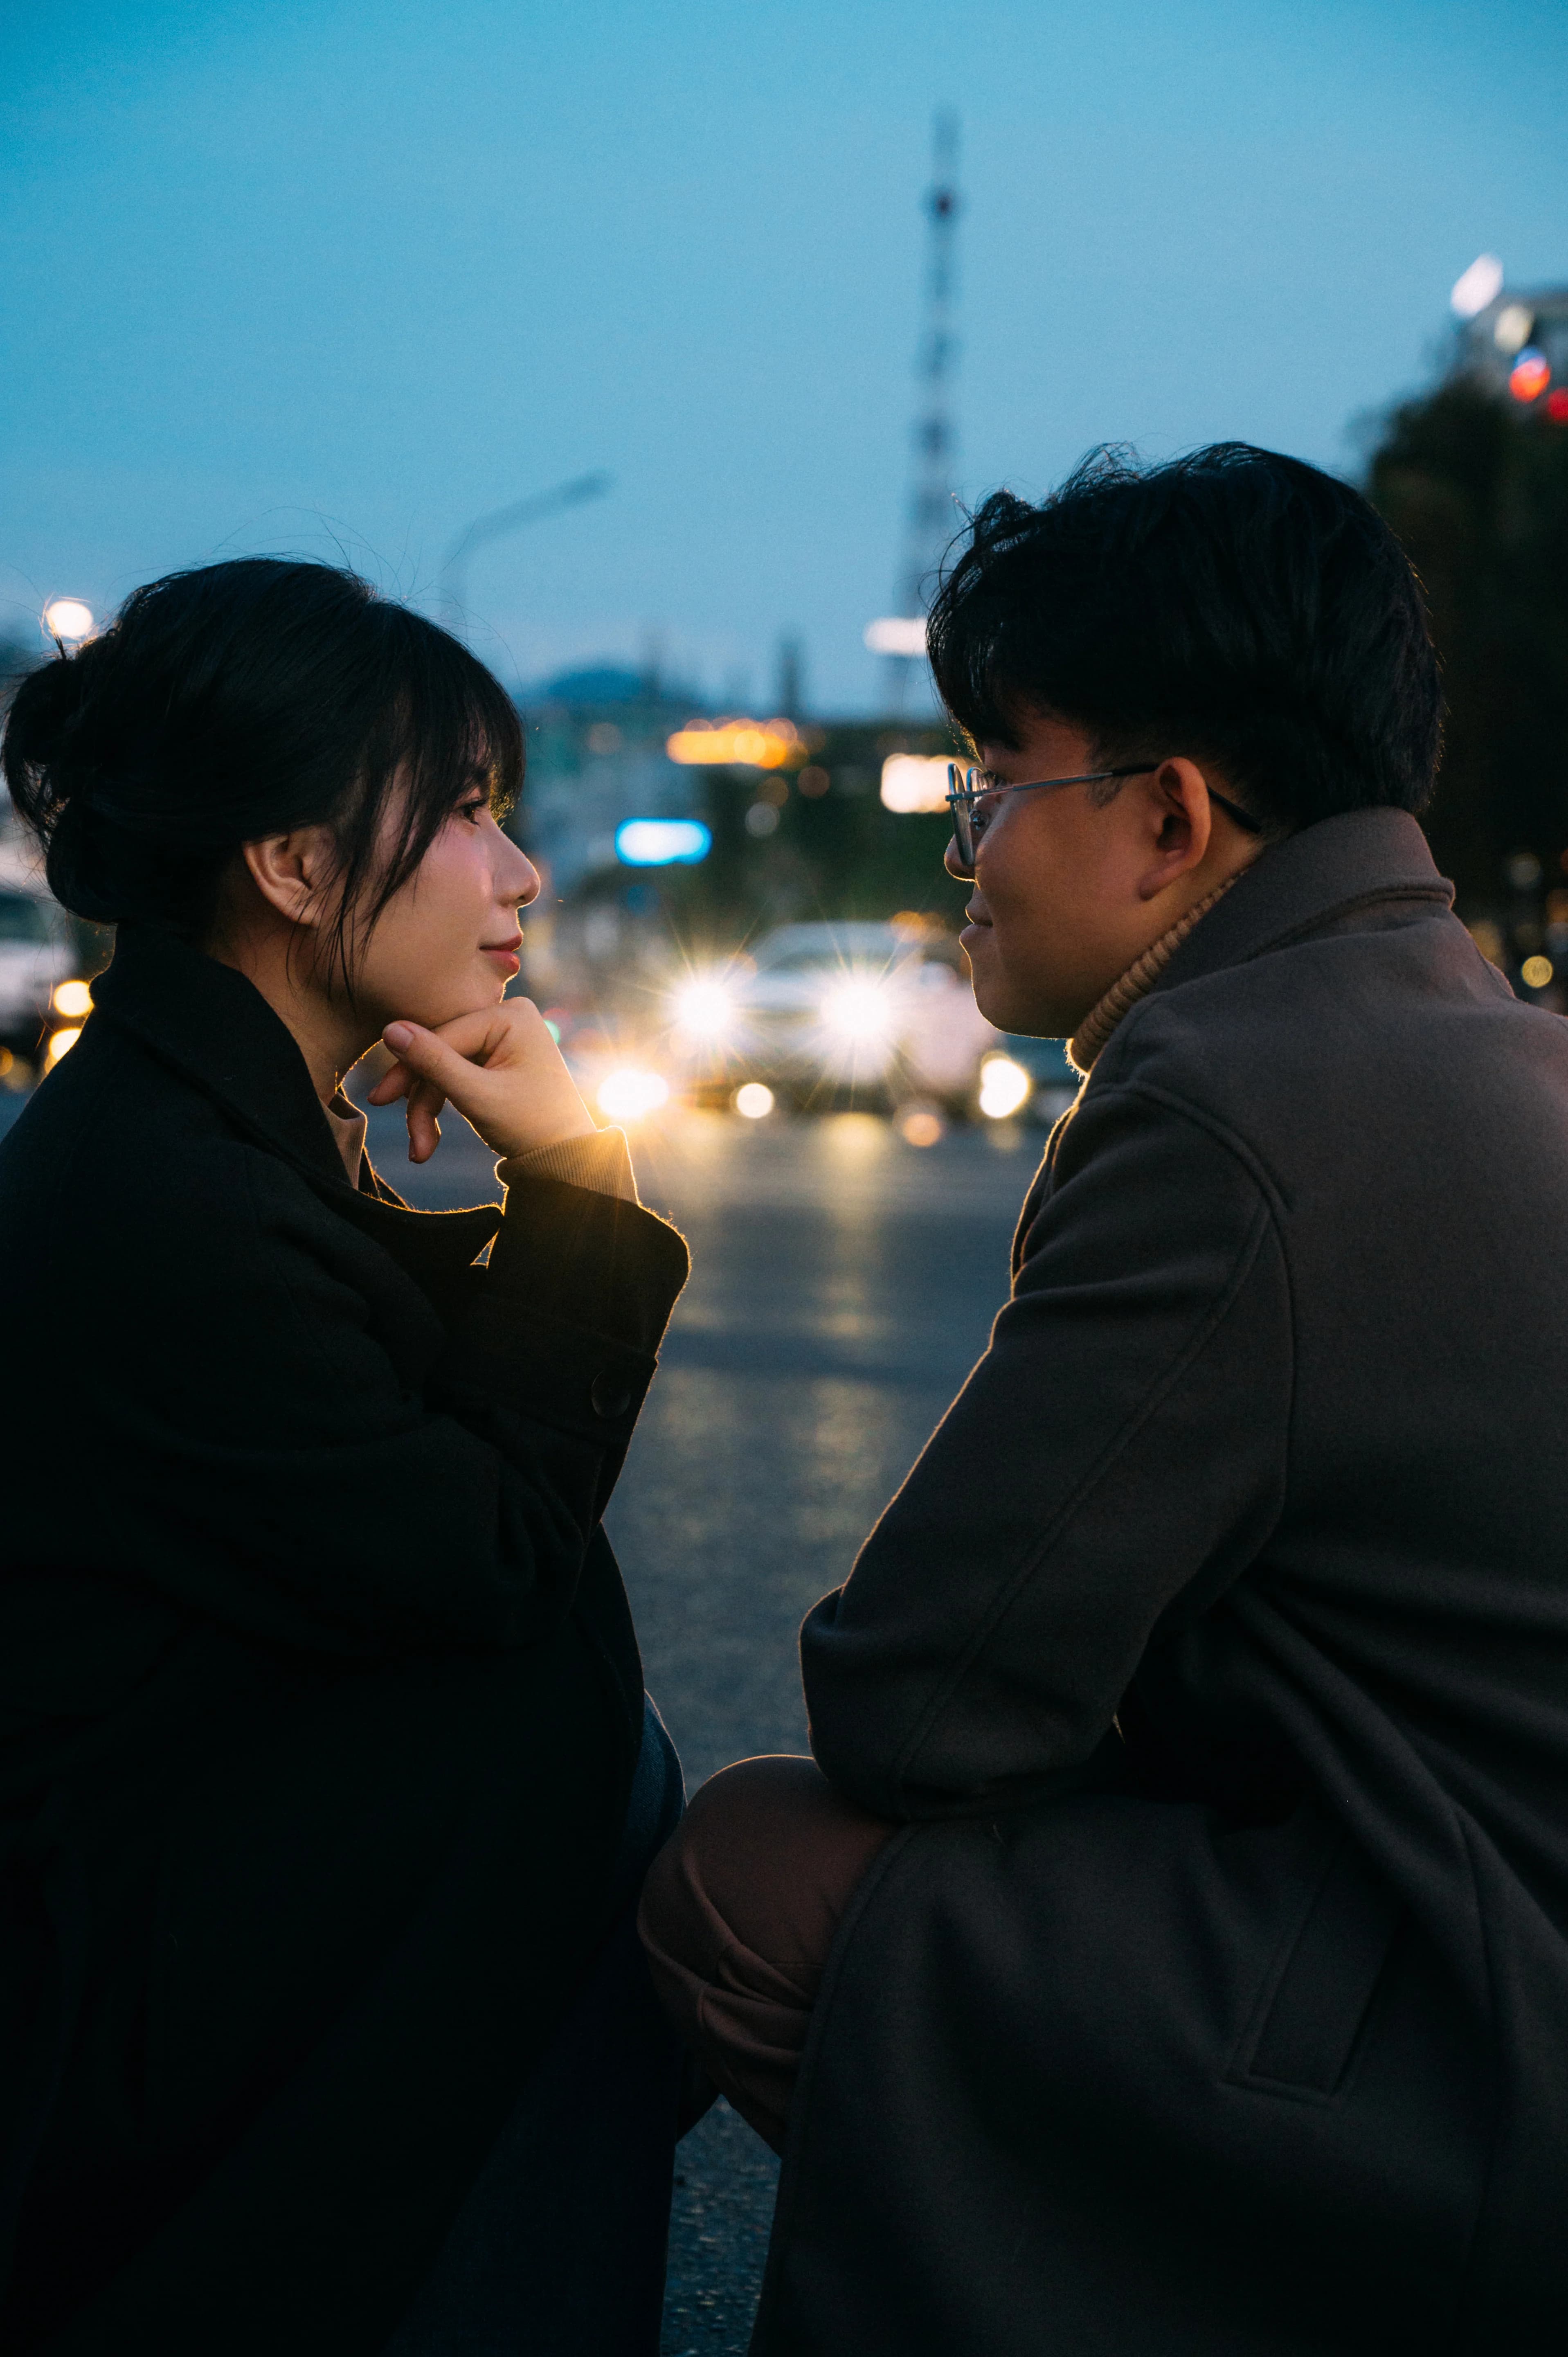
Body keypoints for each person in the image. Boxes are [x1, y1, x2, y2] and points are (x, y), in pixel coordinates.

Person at [641, 444, 1568, 2351]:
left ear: (1164, 819)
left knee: (745, 1866)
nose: (958, 848)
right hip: (1494, 1930)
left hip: (1472, 2045)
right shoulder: (1481, 1031)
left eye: (987, 785)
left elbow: (917, 1700)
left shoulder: (1232, 1098)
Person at [0, 559, 691, 2356]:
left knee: (599, 1794)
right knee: (580, 1788)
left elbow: (397, 1447)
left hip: (176, 1906)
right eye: (464, 811)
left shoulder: (190, 1124)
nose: (519, 873)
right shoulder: (165, 1192)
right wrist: (575, 1190)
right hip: (112, 1991)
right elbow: (481, 1561)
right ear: (294, 866)